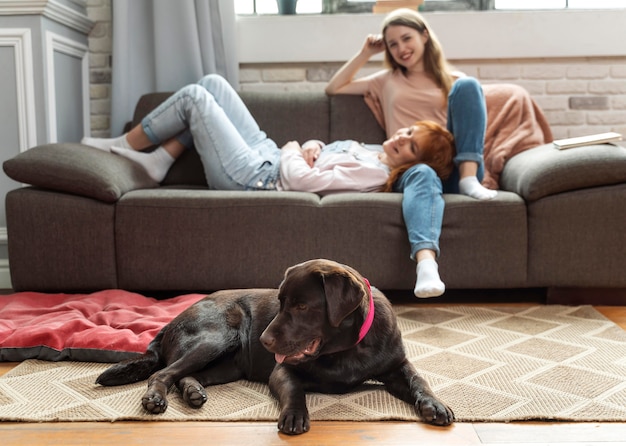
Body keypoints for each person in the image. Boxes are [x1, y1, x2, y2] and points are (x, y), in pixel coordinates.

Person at [82, 76, 455, 301]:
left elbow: (303, 182)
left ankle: (130, 144)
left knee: (196, 97)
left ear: (412, 162)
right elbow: (321, 156)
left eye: (411, 146)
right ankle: (160, 161)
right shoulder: (373, 152)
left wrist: (294, 148)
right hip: (268, 154)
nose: (401, 139)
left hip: (256, 174)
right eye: (407, 132)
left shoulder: (373, 176)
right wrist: (313, 144)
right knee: (213, 84)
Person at [325, 8, 497, 298]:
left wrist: (465, 170)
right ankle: (427, 265)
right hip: (411, 168)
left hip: (451, 168)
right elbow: (334, 88)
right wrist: (366, 53)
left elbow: (468, 125)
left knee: (468, 85)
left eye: (407, 38)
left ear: (425, 36)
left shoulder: (452, 80)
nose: (401, 48)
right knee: (423, 172)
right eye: (393, 44)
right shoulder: (387, 80)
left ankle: (469, 178)